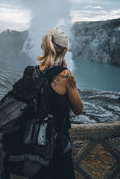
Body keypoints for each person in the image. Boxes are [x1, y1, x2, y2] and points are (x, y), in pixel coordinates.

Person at [30, 27, 83, 179]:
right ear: (65, 51)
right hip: (57, 147)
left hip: (34, 145)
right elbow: (79, 109)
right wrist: (66, 71)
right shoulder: (66, 77)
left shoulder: (33, 72)